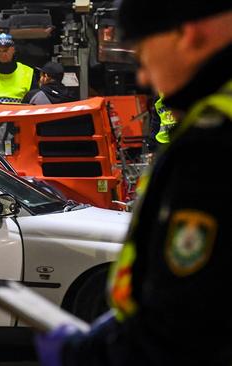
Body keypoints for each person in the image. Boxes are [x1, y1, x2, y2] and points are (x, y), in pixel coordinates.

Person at [34, 2, 232, 366]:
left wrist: (90, 354)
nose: (142, 76)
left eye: (142, 55)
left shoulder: (211, 147)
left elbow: (184, 328)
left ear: (186, 34)